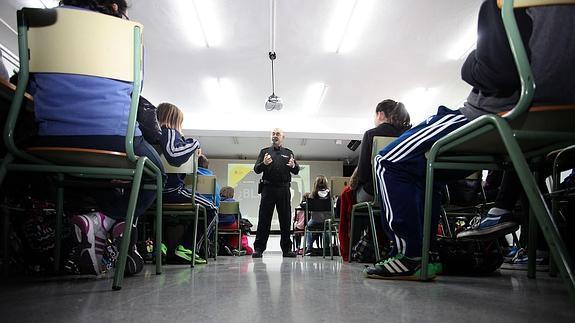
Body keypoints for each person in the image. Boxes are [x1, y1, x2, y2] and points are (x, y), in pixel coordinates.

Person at [364, 0, 575, 280]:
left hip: (499, 113)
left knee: (387, 160)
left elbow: (497, 76)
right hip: (560, 117)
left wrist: (468, 66)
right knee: (430, 172)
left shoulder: (502, 4)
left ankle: (410, 255)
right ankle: (428, 253)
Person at [31, 0, 164, 276]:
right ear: (114, 6)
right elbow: (134, 87)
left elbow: (30, 81)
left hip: (49, 136)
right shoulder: (126, 32)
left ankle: (98, 224)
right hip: (113, 137)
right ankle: (106, 220)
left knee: (88, 178)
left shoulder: (42, 22)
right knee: (155, 174)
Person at [157, 102, 216, 264]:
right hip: (170, 190)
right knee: (211, 209)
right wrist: (194, 143)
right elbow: (173, 154)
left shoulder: (150, 136)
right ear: (174, 119)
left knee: (158, 213)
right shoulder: (168, 132)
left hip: (152, 192)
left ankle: (159, 245)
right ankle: (188, 248)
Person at [252, 128, 300, 258]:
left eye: (277, 134)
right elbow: (256, 169)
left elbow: (297, 170)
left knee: (285, 220)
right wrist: (264, 163)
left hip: (284, 189)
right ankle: (259, 249)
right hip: (268, 189)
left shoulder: (289, 153)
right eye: (273, 134)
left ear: (283, 137)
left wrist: (293, 166)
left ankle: (286, 249)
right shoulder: (264, 152)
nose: (275, 136)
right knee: (264, 219)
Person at [356, 99, 411, 203]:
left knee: (352, 195)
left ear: (380, 115)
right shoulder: (409, 135)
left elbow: (363, 174)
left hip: (376, 192)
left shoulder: (370, 134)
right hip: (404, 191)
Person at [304, 175, 331, 255]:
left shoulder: (312, 196)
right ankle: (326, 248)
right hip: (327, 221)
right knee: (327, 229)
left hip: (315, 220)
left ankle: (309, 248)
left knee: (308, 228)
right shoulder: (330, 195)